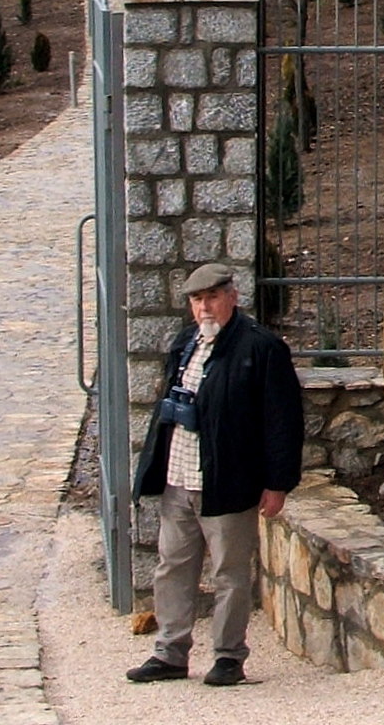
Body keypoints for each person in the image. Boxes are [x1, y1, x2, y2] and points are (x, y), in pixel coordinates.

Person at [127, 263, 303, 687]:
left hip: (228, 481)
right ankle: (170, 652)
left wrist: (278, 483)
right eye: (196, 300)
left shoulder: (261, 348)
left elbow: (283, 420)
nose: (204, 308)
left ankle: (228, 656)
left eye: (212, 298)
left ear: (232, 297)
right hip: (179, 476)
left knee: (229, 573)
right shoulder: (187, 342)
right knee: (173, 567)